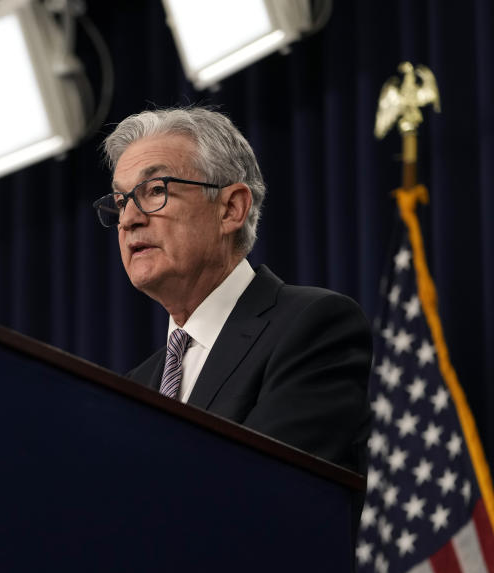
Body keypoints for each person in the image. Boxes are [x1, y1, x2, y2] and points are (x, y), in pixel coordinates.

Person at [95, 107, 372, 473]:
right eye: (121, 202)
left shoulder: (312, 327)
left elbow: (264, 493)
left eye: (156, 190)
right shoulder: (136, 386)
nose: (129, 219)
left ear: (230, 208)